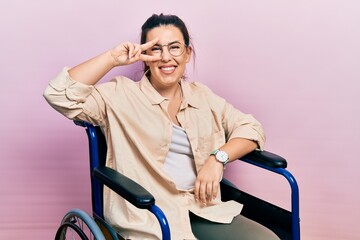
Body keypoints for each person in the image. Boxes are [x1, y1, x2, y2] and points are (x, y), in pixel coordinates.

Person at [44, 13, 279, 240]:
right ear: (144, 54)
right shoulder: (120, 94)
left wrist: (218, 158)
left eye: (175, 47)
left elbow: (251, 127)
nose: (166, 57)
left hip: (202, 207)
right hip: (148, 215)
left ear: (188, 54)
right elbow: (58, 95)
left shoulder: (202, 96)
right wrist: (112, 58)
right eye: (156, 49)